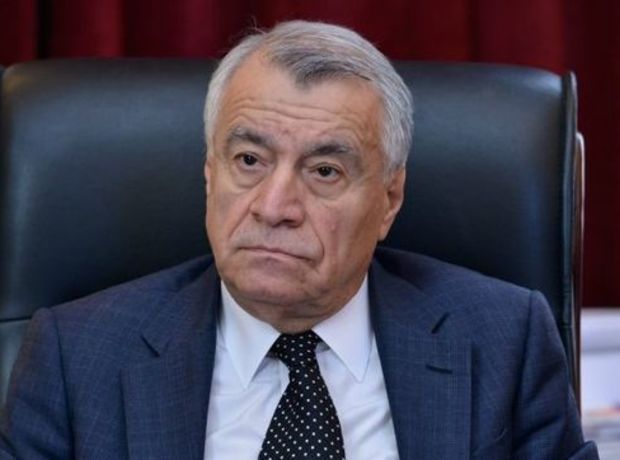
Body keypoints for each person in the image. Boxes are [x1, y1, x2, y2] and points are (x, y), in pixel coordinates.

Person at [0, 20, 598, 460]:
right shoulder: (76, 358)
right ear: (209, 174)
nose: (274, 207)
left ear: (389, 200)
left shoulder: (505, 341)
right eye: (249, 160)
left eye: (324, 171)